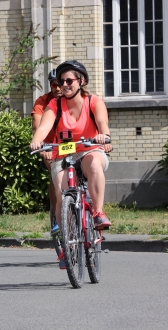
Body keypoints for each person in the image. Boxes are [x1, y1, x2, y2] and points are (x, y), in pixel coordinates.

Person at [29, 60, 113, 269]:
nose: (64, 85)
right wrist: (37, 140)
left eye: (69, 80)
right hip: (63, 152)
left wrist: (104, 136)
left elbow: (103, 124)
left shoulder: (94, 101)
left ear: (81, 81)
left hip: (89, 149)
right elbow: (43, 126)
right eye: (60, 82)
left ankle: (98, 213)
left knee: (93, 165)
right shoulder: (54, 105)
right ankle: (68, 241)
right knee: (61, 191)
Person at [31, 68, 62, 236]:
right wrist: (41, 147)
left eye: (60, 84)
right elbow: (37, 126)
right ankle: (57, 216)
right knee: (55, 172)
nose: (57, 88)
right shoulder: (42, 102)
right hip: (50, 147)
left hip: (70, 144)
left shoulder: (71, 100)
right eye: (53, 85)